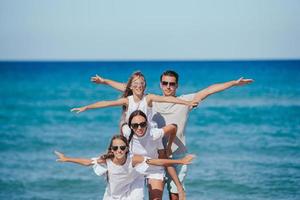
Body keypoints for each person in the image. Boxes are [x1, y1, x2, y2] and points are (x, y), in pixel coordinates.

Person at [90, 70, 253, 200]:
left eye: (172, 84)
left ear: (177, 86)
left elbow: (209, 90)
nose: (168, 86)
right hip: (153, 154)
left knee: (175, 195)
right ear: (161, 84)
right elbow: (128, 88)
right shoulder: (152, 99)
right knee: (145, 193)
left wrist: (233, 83)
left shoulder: (185, 100)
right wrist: (104, 81)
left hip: (177, 155)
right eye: (165, 83)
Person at [55, 135, 195, 200]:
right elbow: (87, 162)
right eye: (115, 148)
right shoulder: (107, 159)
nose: (119, 150)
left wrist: (181, 161)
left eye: (122, 147)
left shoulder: (133, 159)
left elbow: (156, 161)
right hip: (113, 194)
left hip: (133, 188)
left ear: (127, 149)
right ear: (111, 149)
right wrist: (67, 159)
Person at [124, 110, 187, 200]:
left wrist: (169, 146)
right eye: (135, 125)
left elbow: (173, 127)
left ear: (147, 124)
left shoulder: (154, 134)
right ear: (130, 126)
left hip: (154, 169)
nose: (139, 128)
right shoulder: (126, 132)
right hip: (135, 171)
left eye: (142, 124)